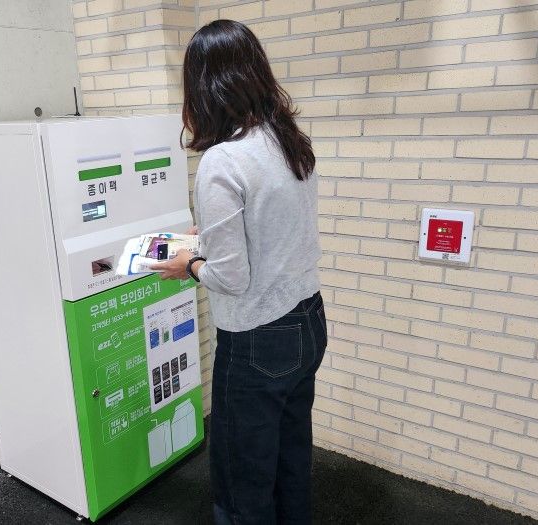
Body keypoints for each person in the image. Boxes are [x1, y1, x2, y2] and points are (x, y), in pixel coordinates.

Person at [151, 19, 327, 525]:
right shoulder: (287, 141)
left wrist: (189, 264)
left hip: (255, 340)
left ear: (203, 87)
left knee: (241, 479)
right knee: (291, 457)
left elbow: (231, 279)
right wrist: (209, 237)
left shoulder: (223, 161)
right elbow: (273, 231)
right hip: (308, 321)